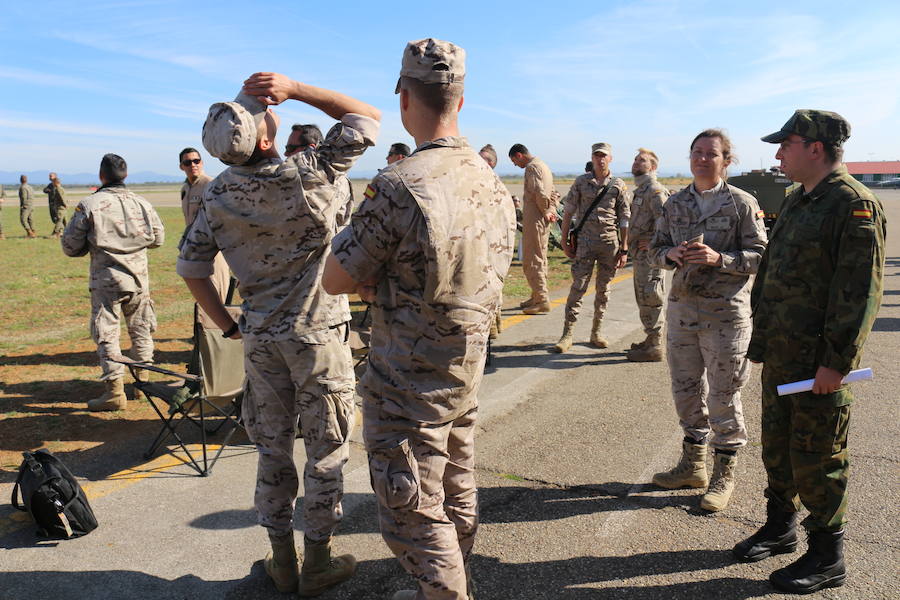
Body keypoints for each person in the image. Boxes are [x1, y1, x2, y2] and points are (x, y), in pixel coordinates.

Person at [322, 38, 516, 600]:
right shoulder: (490, 183)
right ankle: (448, 585)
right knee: (455, 484)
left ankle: (446, 592)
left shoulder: (400, 183)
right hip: (465, 367)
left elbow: (336, 278)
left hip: (407, 378)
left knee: (411, 509)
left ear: (403, 97)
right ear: (461, 98)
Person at [178, 75, 380, 596]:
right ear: (266, 140)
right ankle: (317, 561)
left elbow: (192, 268)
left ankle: (281, 560)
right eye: (264, 114)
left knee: (271, 453)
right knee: (326, 451)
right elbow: (366, 117)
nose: (271, 112)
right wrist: (295, 88)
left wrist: (228, 324)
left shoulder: (217, 194)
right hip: (318, 338)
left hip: (261, 341)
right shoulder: (310, 173)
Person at [733, 110, 885, 594]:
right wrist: (761, 341)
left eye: (786, 144)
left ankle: (826, 556)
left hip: (819, 364)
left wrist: (836, 364)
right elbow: (775, 273)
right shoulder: (801, 200)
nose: (778, 153)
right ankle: (781, 526)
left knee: (819, 457)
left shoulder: (852, 205)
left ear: (815, 148)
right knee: (778, 449)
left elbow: (859, 293)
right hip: (783, 355)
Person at [649, 129, 767, 512]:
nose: (702, 159)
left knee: (723, 394)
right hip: (683, 310)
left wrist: (721, 259)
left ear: (726, 161)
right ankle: (692, 464)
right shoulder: (675, 202)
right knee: (684, 390)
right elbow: (654, 249)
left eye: (711, 154)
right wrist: (673, 254)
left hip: (726, 315)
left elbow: (761, 256)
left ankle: (724, 473)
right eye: (696, 152)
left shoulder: (742, 203)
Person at [61, 154, 165, 411]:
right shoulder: (142, 203)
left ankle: (114, 392)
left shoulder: (90, 204)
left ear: (101, 176)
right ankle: (143, 385)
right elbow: (158, 239)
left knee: (107, 333)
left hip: (106, 281)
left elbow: (70, 247)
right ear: (126, 175)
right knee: (140, 330)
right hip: (139, 279)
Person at [554, 143, 630, 353]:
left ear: (610, 159)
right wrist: (564, 240)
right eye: (596, 156)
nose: (600, 159)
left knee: (603, 290)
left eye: (604, 156)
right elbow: (568, 212)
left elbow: (624, 218)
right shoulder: (581, 182)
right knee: (578, 287)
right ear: (592, 158)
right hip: (584, 244)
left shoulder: (618, 185)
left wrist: (624, 248)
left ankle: (596, 331)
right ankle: (567, 333)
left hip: (609, 244)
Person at [626, 148, 670, 362]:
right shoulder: (641, 190)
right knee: (644, 297)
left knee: (651, 296)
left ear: (652, 167)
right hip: (641, 257)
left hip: (651, 257)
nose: (636, 163)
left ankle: (654, 346)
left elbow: (668, 222)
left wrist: (653, 241)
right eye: (635, 159)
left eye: (641, 160)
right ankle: (650, 339)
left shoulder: (654, 191)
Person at [178, 148, 231, 322]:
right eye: (187, 162)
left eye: (196, 161)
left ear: (202, 162)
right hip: (194, 249)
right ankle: (203, 333)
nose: (193, 165)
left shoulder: (211, 185)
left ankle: (218, 335)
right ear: (181, 167)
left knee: (217, 292)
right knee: (202, 293)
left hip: (214, 250)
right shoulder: (186, 188)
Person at [509, 143, 557, 314]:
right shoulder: (543, 166)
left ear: (519, 155)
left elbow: (540, 192)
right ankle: (536, 295)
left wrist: (545, 211)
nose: (515, 165)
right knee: (540, 257)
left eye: (514, 161)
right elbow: (552, 192)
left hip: (535, 219)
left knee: (533, 259)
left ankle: (542, 299)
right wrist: (551, 210)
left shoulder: (532, 168)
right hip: (541, 218)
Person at [479, 143, 505, 339]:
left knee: (492, 283)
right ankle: (492, 324)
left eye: (482, 158)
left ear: (491, 163)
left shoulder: (495, 185)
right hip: (480, 240)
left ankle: (493, 322)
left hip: (493, 242)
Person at [44, 172, 67, 238]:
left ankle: (59, 232)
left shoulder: (58, 186)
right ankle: (61, 231)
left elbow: (61, 196)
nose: (50, 177)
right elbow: (45, 190)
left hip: (58, 205)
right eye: (49, 176)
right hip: (53, 204)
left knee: (59, 219)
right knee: (56, 219)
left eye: (51, 176)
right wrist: (49, 190)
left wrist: (64, 204)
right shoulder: (50, 185)